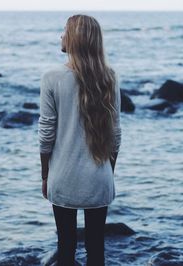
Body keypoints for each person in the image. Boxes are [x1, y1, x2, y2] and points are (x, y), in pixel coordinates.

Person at [38, 14, 121, 266]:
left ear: (74, 38)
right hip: (99, 177)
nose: (61, 36)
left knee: (66, 248)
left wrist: (45, 175)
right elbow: (115, 136)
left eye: (64, 31)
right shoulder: (109, 77)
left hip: (63, 177)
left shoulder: (52, 78)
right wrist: (109, 172)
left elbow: (46, 135)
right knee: (97, 250)